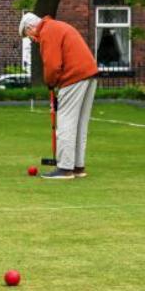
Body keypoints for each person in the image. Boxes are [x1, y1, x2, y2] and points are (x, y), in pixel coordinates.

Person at [19, 12, 99, 179]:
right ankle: (77, 166)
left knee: (66, 122)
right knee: (80, 123)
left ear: (31, 27)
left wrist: (50, 82)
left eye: (29, 36)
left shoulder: (47, 31)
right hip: (89, 74)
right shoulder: (57, 26)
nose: (33, 40)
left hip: (74, 76)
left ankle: (64, 168)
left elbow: (53, 64)